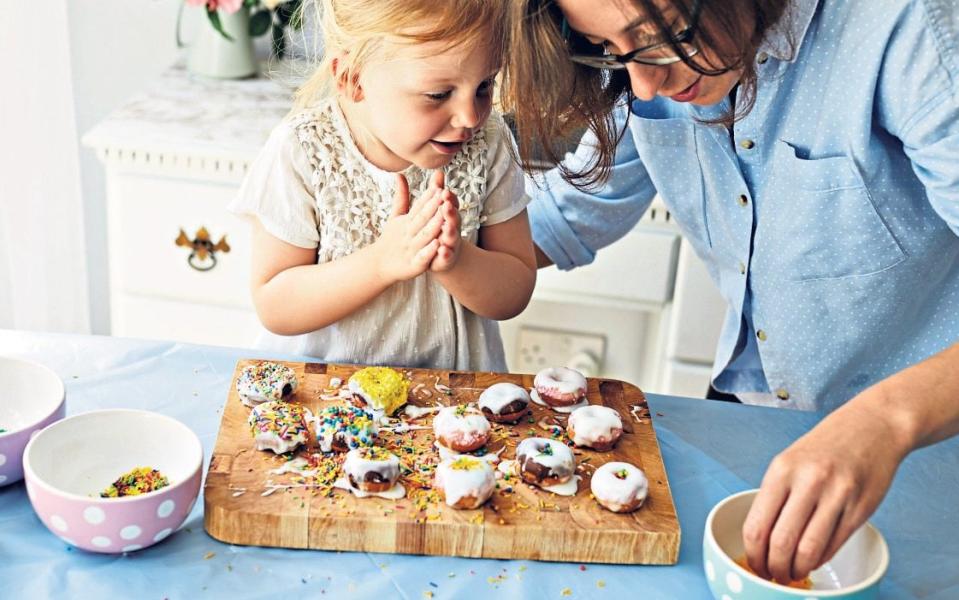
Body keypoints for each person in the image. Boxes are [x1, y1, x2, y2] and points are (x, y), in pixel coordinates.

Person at [502, 0, 959, 584]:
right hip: (755, 415)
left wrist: (888, 420)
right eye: (612, 51)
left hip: (923, 446)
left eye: (661, 38)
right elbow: (568, 212)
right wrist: (404, 257)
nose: (644, 83)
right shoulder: (645, 74)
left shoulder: (904, 27)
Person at [229, 0, 536, 372]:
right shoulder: (302, 151)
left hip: (450, 409)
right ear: (353, 78)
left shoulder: (489, 144)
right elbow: (275, 305)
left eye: (485, 86)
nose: (470, 116)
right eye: (438, 94)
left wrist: (456, 262)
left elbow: (515, 291)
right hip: (327, 405)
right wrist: (381, 263)